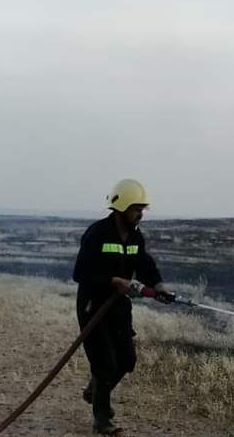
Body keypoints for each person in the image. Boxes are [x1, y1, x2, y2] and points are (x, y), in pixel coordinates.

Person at [72, 178, 174, 435]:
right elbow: (80, 273)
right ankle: (102, 420)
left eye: (142, 209)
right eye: (136, 209)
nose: (140, 214)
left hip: (118, 306)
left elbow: (144, 263)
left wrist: (158, 285)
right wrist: (113, 280)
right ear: (122, 208)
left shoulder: (136, 236)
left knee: (127, 360)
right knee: (104, 363)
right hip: (93, 306)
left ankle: (96, 390)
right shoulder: (97, 233)